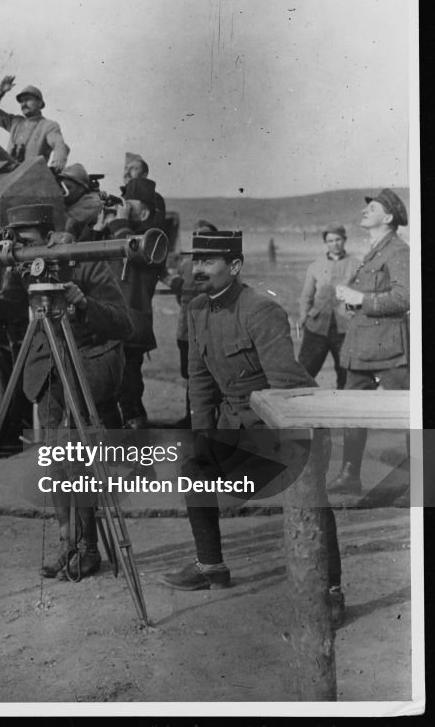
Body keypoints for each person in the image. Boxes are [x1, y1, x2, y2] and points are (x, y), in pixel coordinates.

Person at [159, 229, 344, 626]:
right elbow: (201, 383)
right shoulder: (196, 310)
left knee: (309, 493)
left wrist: (293, 451)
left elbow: (287, 386)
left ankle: (330, 591)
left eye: (209, 262)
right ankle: (210, 567)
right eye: (196, 261)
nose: (198, 269)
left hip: (279, 428)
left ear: (236, 266)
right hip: (232, 426)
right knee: (195, 470)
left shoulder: (260, 310)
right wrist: (204, 439)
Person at [0, 204, 132, 580]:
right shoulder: (25, 269)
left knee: (78, 459)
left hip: (86, 364)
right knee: (55, 462)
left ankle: (89, 549)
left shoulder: (83, 261)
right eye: (15, 241)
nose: (19, 249)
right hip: (49, 368)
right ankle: (67, 543)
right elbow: (7, 314)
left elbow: (124, 323)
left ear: (47, 236)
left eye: (25, 241)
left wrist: (82, 302)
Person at [329, 189, 410, 496]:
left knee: (408, 414)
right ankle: (350, 475)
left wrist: (361, 298)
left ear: (388, 217)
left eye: (372, 208)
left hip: (390, 348)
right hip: (362, 347)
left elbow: (405, 298)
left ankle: (420, 483)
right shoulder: (375, 250)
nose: (365, 211)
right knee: (352, 409)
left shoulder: (398, 251)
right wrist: (352, 303)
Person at [80, 175, 169, 430]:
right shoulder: (119, 236)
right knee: (105, 397)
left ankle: (140, 461)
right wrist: (95, 229)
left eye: (130, 207)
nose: (123, 212)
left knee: (128, 398)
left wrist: (119, 222)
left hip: (130, 331)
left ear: (144, 214)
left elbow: (138, 251)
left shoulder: (153, 240)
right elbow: (80, 257)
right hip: (108, 327)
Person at [296, 222, 360, 391]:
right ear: (326, 243)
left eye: (338, 239)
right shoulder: (316, 265)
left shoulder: (356, 264)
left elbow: (363, 294)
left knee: (346, 373)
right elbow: (306, 295)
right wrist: (304, 316)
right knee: (304, 371)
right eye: (330, 241)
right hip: (317, 326)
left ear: (344, 240)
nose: (335, 244)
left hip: (345, 327)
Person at [168, 220, 219, 428]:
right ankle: (191, 419)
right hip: (186, 333)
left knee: (216, 376)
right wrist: (174, 284)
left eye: (205, 235)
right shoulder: (186, 265)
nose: (200, 238)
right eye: (197, 234)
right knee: (191, 377)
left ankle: (215, 421)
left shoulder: (221, 265)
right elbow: (178, 291)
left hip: (213, 333)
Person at [0, 76, 69, 173]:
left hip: (31, 178)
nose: (24, 104)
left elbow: (58, 144)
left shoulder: (48, 126)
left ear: (40, 103)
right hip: (8, 176)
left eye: (28, 99)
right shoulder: (15, 122)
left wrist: (58, 162)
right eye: (21, 101)